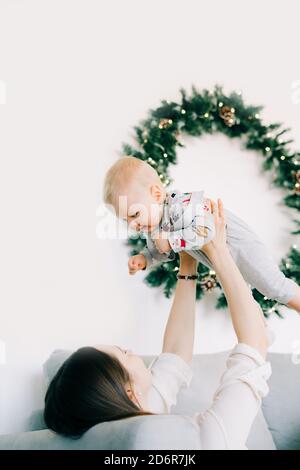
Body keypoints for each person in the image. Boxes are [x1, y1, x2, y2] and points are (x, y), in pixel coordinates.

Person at [44, 199, 273, 449]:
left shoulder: (131, 421)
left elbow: (175, 356)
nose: (132, 352)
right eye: (124, 353)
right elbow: (254, 344)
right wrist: (219, 251)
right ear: (129, 393)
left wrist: (187, 262)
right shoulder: (208, 438)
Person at [103, 155, 300, 310]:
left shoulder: (181, 205)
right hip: (226, 263)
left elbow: (205, 232)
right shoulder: (154, 226)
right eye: (125, 220)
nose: (133, 225)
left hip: (243, 248)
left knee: (273, 286)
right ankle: (261, 334)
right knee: (244, 297)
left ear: (156, 194)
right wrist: (145, 258)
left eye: (134, 214)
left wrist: (171, 240)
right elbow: (159, 251)